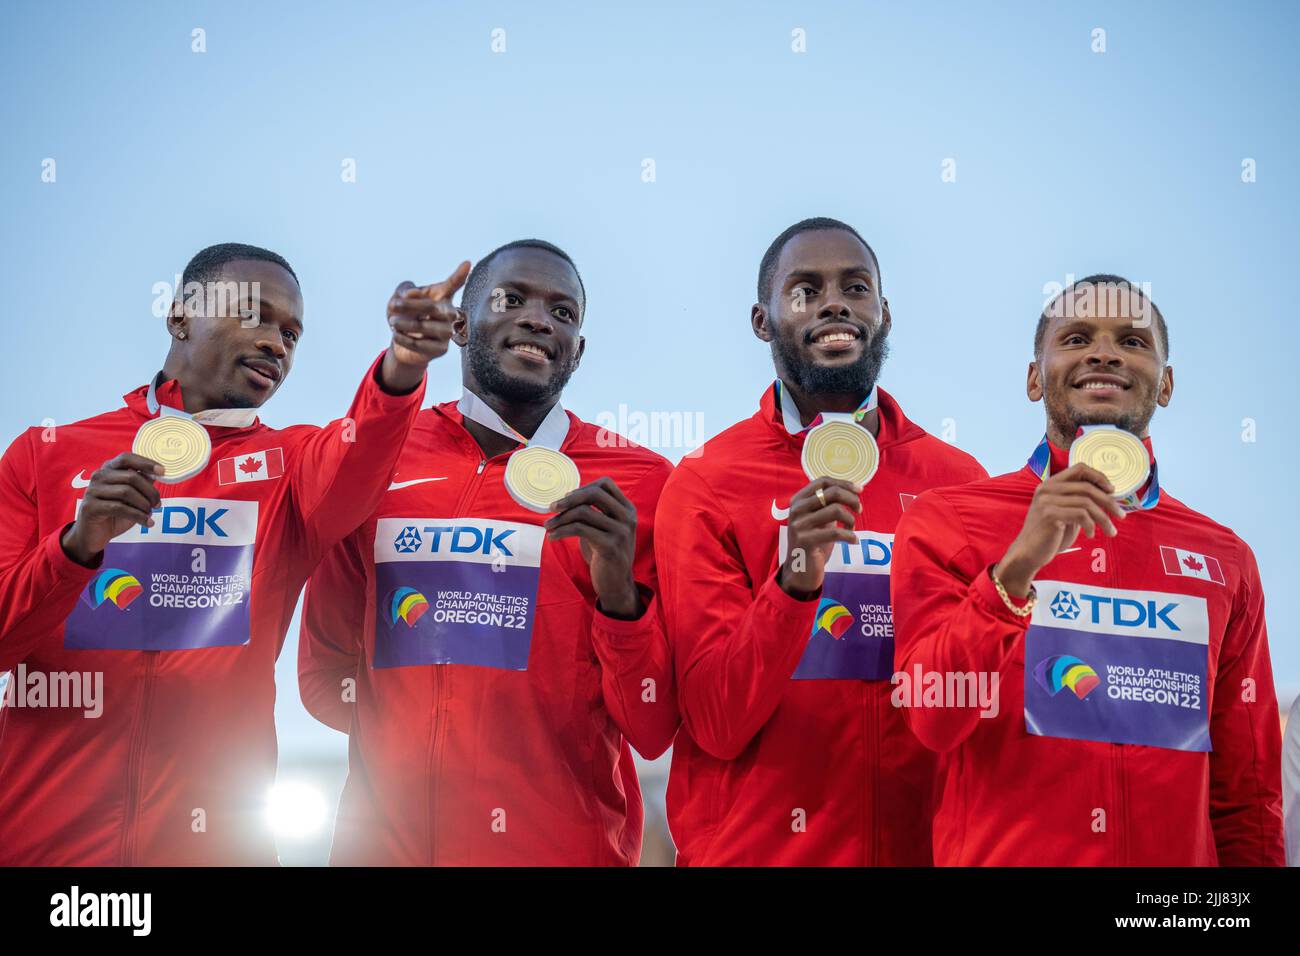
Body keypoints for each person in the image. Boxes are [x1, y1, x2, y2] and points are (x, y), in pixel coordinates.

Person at [0, 242, 465, 865]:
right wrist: (75, 548)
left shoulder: (293, 466)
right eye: (255, 315)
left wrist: (402, 366)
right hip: (44, 850)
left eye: (292, 333)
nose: (278, 342)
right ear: (180, 316)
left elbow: (361, 455)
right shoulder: (44, 455)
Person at [298, 239, 678, 865]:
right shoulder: (377, 460)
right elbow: (323, 678)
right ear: (459, 324)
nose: (538, 318)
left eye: (563, 313)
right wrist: (432, 742)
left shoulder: (639, 483)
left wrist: (619, 597)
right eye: (513, 299)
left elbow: (651, 722)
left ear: (576, 352)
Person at [891, 275, 1285, 865]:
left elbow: (1248, 794)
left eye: (1133, 341)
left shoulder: (1225, 557)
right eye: (1076, 338)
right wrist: (1015, 569)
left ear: (1167, 383)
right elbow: (931, 720)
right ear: (1033, 378)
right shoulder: (949, 519)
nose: (1104, 352)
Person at [654, 218, 987, 865]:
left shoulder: (960, 486)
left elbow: (978, 708)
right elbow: (717, 722)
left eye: (856, 288)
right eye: (805, 289)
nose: (834, 302)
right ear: (762, 319)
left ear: (884, 313)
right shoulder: (706, 482)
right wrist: (794, 582)